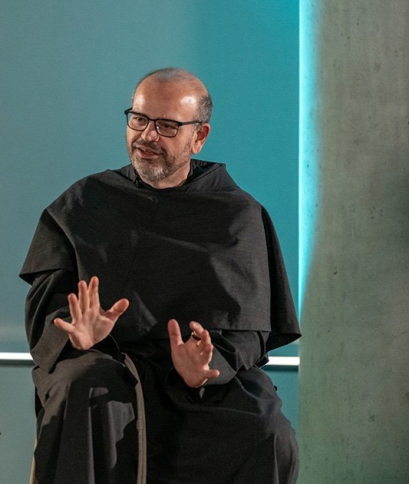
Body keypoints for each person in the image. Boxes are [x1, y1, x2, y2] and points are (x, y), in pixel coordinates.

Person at [20, 67, 301, 483]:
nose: (148, 136)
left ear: (199, 136)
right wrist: (75, 334)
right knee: (85, 386)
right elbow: (51, 303)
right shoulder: (86, 202)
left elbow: (253, 324)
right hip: (106, 363)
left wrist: (209, 366)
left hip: (196, 380)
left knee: (264, 428)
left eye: (167, 126)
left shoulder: (238, 215)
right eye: (139, 120)